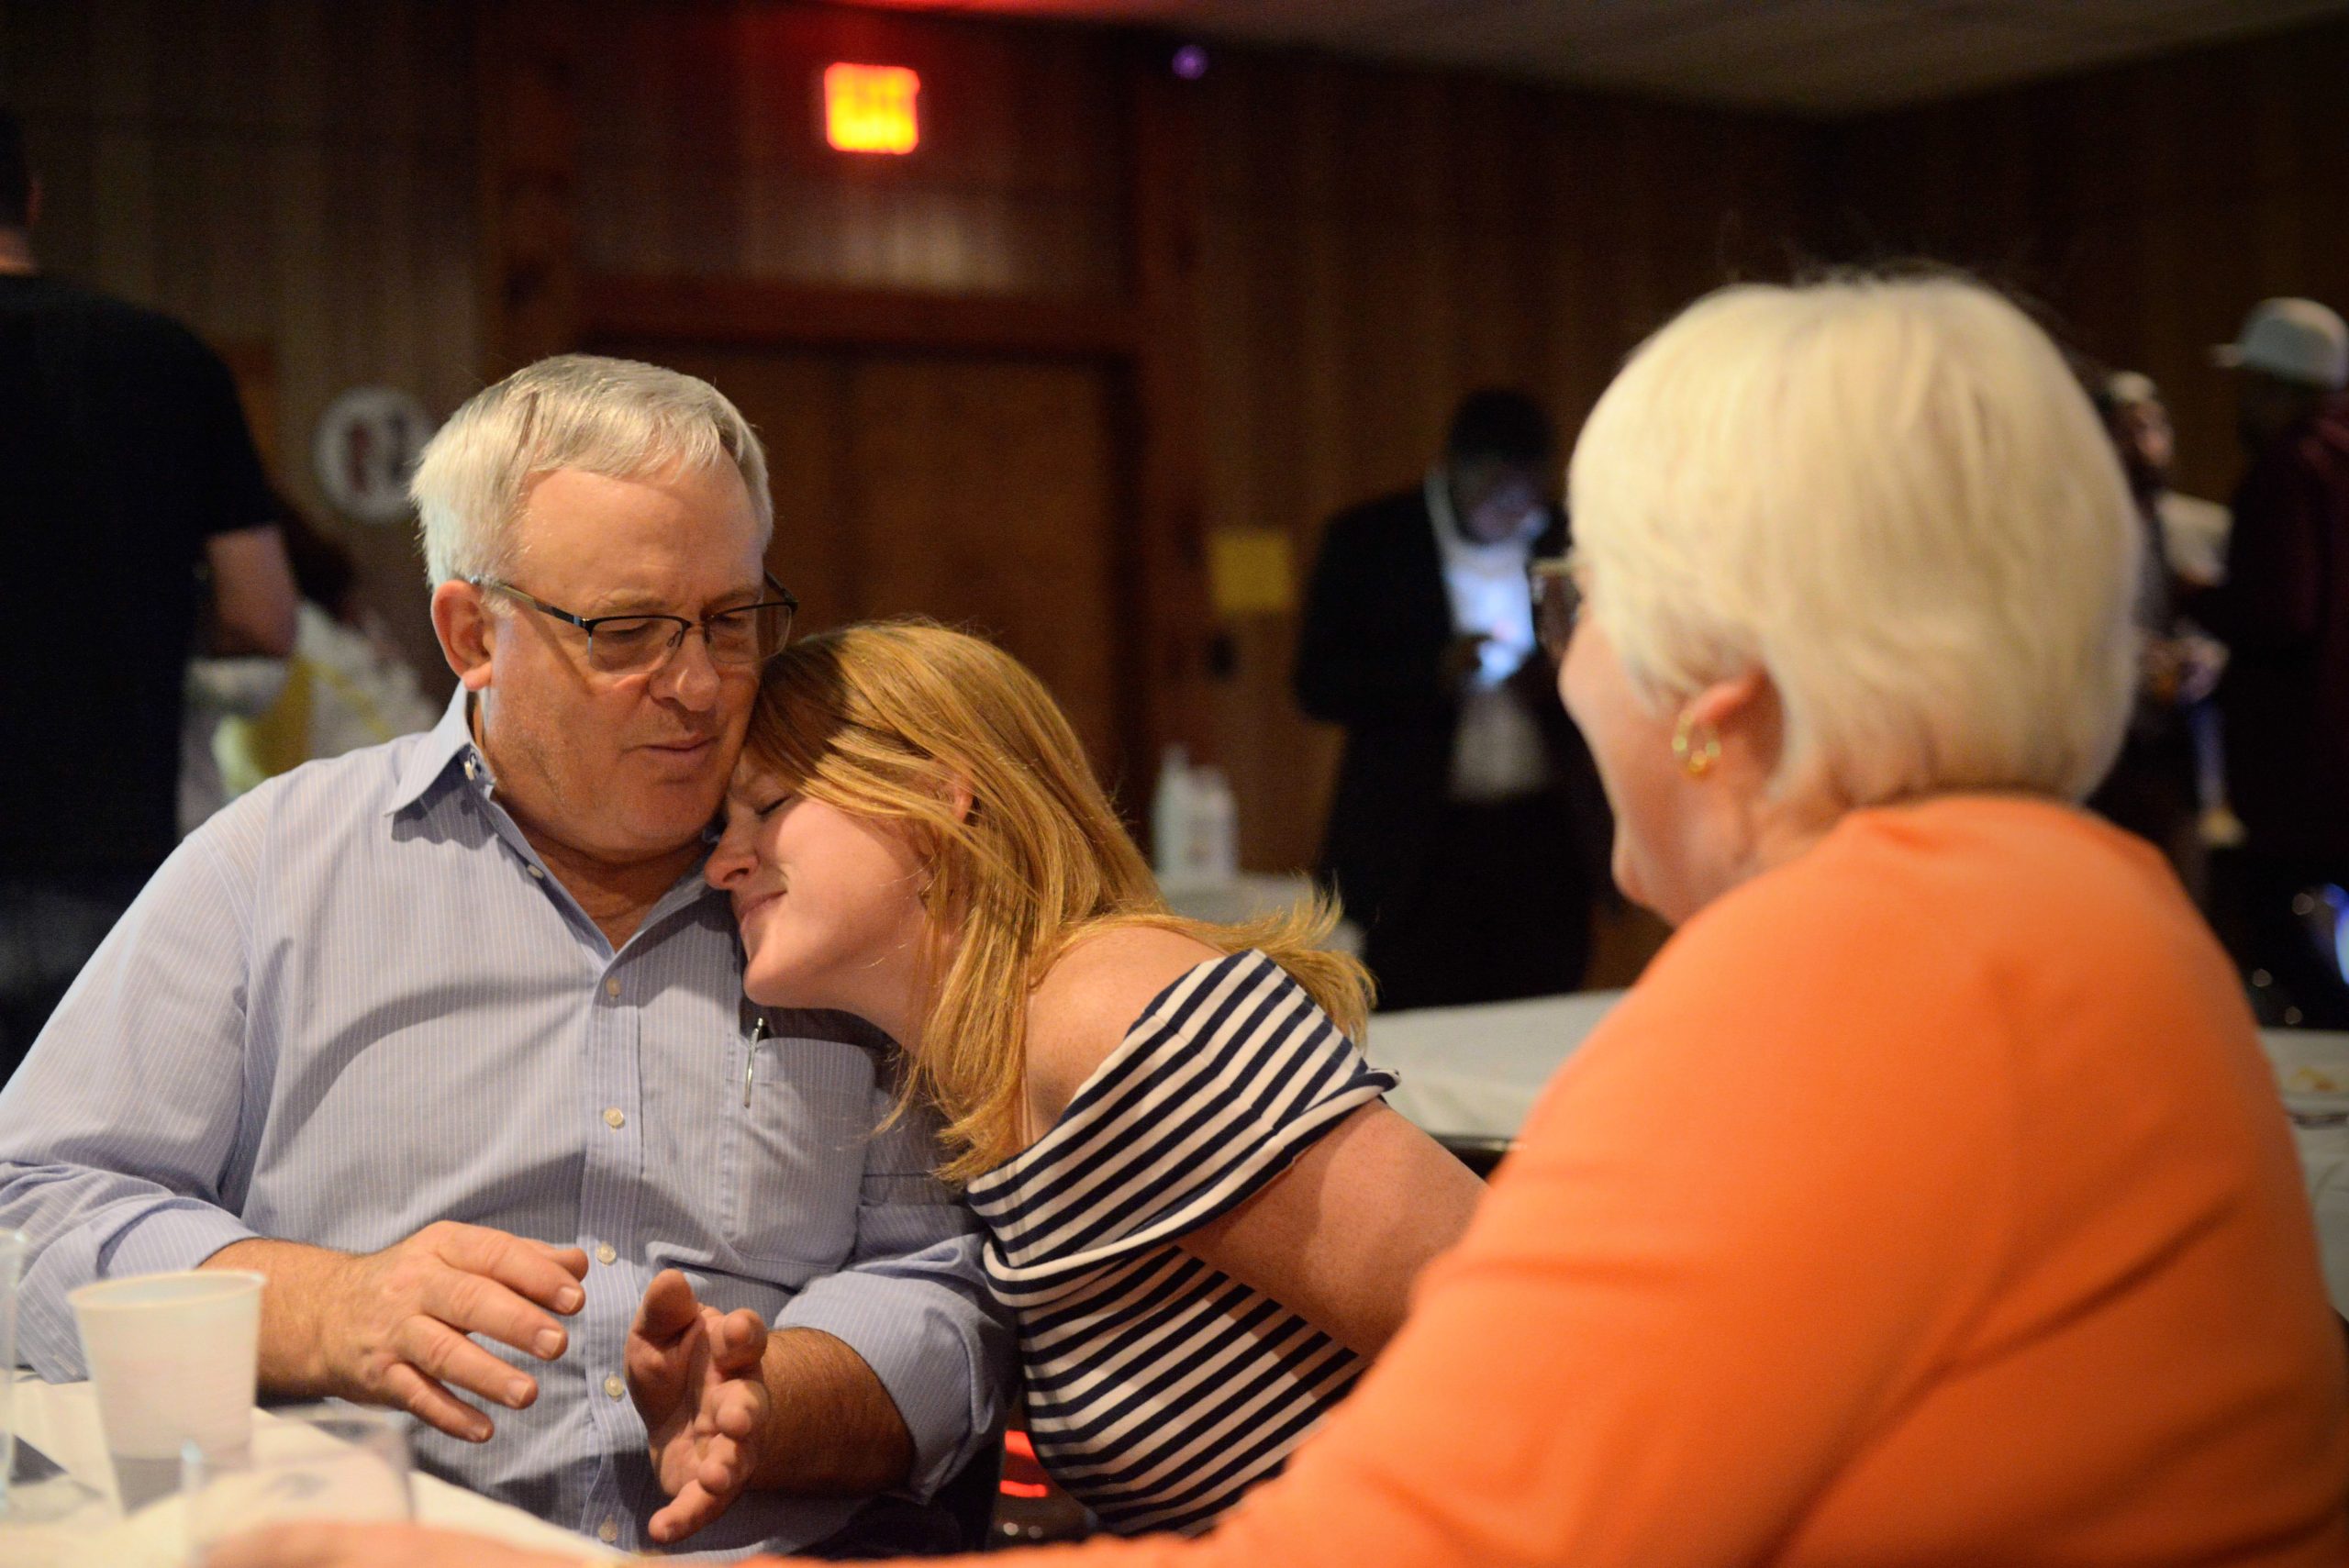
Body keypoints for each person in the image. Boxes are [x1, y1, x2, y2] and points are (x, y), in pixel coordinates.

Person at [236, 274, 2349, 1568]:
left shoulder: (1854, 972)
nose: (1559, 657)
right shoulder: (2077, 902)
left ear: (1719, 685)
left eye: (1576, 598)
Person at [0, 354, 1010, 1558]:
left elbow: (943, 1279)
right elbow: (33, 1206)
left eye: (732, 620)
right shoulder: (277, 866)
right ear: (473, 632)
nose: (699, 686)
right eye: (627, 632)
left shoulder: (834, 886)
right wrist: (320, 1307)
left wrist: (775, 1403)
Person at [0, 105, 298, 1084]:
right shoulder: (165, 357)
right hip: (110, 851)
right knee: (84, 1158)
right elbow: (261, 614)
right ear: (31, 195)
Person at [1295, 389, 1604, 1011]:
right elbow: (1316, 684)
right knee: (1419, 1009)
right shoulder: (1374, 540)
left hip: (1543, 838)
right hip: (1417, 842)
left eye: (1527, 493)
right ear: (1458, 470)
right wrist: (1431, 672)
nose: (1516, 511)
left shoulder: (1563, 537)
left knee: (1543, 1009)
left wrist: (1555, 679)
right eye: (1499, 492)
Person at [2190, 297, 2349, 1025]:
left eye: (2251, 387)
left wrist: (2202, 597)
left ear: (2278, 389)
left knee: (2284, 941)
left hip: (2302, 768)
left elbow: (2281, 613)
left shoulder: (2288, 470)